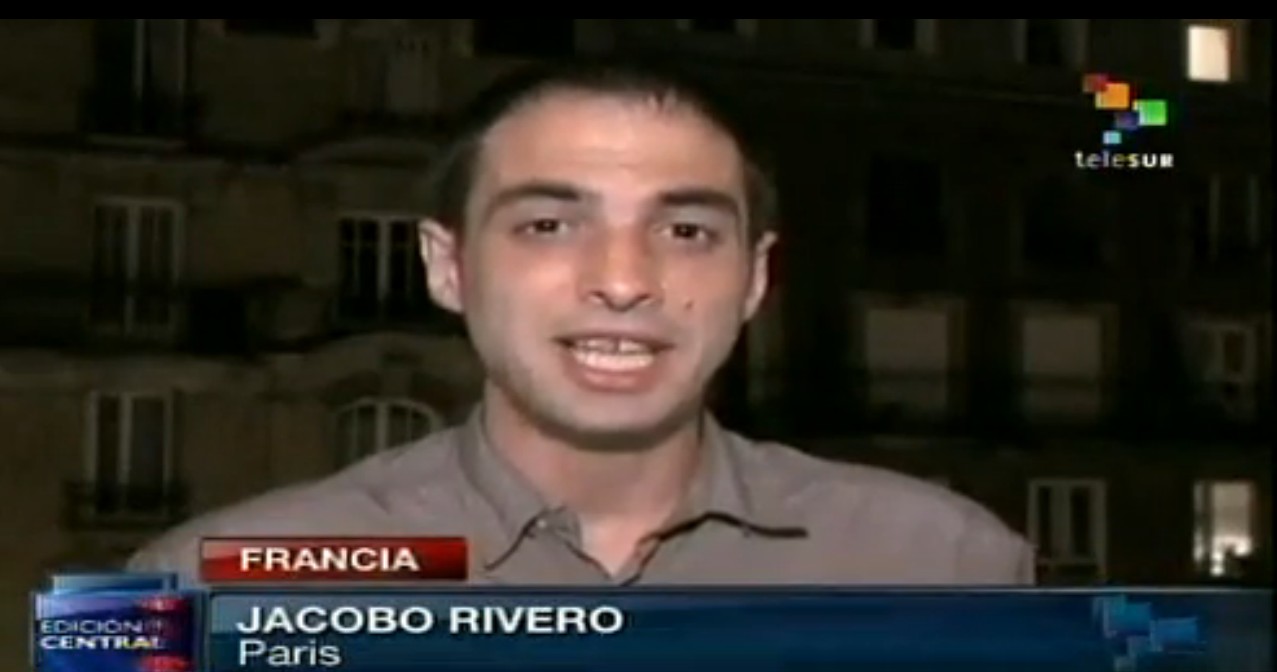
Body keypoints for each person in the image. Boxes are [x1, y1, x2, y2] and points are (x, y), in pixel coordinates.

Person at [128, 60, 1034, 584]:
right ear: (446, 267)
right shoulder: (197, 584)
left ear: (755, 277)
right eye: (549, 226)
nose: (623, 281)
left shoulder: (946, 564)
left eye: (685, 231)